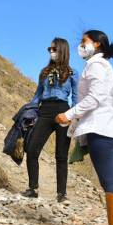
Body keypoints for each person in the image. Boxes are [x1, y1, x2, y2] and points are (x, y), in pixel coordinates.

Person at [55, 30, 113, 225]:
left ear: (96, 44)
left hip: (100, 130)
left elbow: (94, 98)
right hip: (108, 129)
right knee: (110, 182)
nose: (80, 45)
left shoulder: (95, 65)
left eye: (83, 41)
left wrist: (68, 115)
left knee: (110, 183)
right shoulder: (105, 65)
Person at [22, 38, 78, 202]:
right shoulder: (44, 72)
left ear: (62, 50)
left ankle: (62, 194)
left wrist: (74, 118)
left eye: (54, 49)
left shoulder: (73, 73)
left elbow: (75, 98)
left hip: (63, 111)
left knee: (61, 155)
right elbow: (38, 95)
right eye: (49, 49)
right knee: (32, 150)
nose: (51, 52)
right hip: (44, 111)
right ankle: (33, 188)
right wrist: (29, 110)